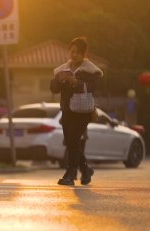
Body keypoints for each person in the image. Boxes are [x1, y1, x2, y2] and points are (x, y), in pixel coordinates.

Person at [51, 36, 103, 186]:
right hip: (67, 110)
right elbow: (54, 89)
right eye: (72, 52)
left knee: (73, 139)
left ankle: (70, 173)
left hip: (83, 111)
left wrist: (77, 83)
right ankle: (86, 170)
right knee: (70, 141)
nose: (73, 55)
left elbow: (94, 88)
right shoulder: (63, 69)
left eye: (77, 52)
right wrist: (58, 80)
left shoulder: (91, 70)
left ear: (84, 53)